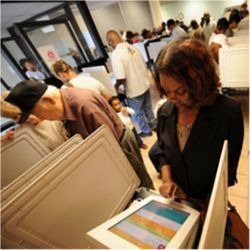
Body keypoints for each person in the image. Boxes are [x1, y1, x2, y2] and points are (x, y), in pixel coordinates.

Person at [5, 80, 154, 189]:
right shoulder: (65, 103)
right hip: (107, 148)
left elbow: (111, 147)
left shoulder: (84, 105)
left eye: (38, 112)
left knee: (139, 183)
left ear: (48, 100)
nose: (42, 118)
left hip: (119, 145)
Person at [153, 39, 243, 204]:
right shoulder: (165, 112)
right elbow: (162, 151)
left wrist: (211, 203)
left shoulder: (228, 112)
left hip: (209, 200)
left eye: (180, 91)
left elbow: (228, 169)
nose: (172, 98)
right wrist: (167, 180)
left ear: (199, 82)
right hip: (179, 200)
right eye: (167, 92)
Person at [106, 30, 155, 137]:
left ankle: (147, 131)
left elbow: (120, 77)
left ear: (111, 41)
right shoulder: (133, 47)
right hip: (144, 83)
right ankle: (154, 125)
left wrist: (115, 86)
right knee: (148, 107)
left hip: (134, 89)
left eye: (109, 43)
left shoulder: (116, 54)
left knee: (137, 114)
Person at [1, 93, 68, 150]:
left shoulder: (53, 116)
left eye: (21, 113)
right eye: (14, 117)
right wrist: (7, 142)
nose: (20, 119)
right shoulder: (22, 133)